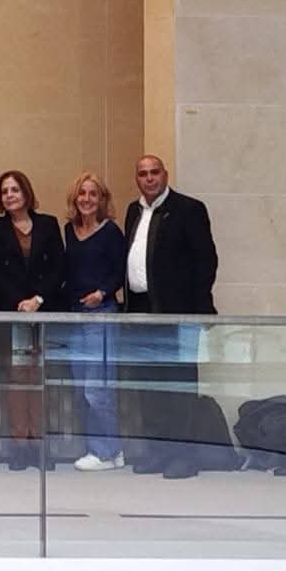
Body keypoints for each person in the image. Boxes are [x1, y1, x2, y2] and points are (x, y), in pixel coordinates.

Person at [121, 153, 220, 480]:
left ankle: (183, 456)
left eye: (154, 172)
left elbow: (206, 261)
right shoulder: (133, 211)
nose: (149, 178)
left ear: (165, 175)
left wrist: (200, 307)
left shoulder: (189, 209)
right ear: (137, 179)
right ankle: (158, 452)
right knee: (148, 385)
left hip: (178, 312)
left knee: (179, 385)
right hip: (140, 310)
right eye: (143, 173)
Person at [0, 169, 65, 470]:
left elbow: (59, 268)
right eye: (4, 191)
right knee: (18, 379)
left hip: (43, 312)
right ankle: (19, 445)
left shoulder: (49, 224)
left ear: (26, 193)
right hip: (12, 313)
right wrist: (20, 303)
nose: (9, 196)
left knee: (39, 378)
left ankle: (40, 445)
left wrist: (37, 300)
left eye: (14, 190)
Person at [61, 170, 126, 471]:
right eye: (82, 193)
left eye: (93, 194)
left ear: (102, 199)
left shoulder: (111, 232)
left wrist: (101, 293)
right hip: (74, 316)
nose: (86, 199)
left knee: (97, 388)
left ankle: (107, 452)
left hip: (100, 315)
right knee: (81, 387)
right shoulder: (69, 230)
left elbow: (119, 272)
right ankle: (101, 447)